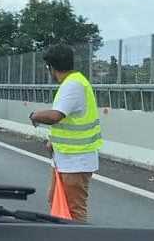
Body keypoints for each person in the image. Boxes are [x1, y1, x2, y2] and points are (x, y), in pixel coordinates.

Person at [29, 44, 102, 223]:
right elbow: (69, 120)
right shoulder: (73, 83)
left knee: (74, 210)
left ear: (51, 67)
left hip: (76, 160)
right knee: (56, 201)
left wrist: (35, 115)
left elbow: (56, 116)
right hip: (66, 158)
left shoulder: (72, 85)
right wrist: (53, 140)